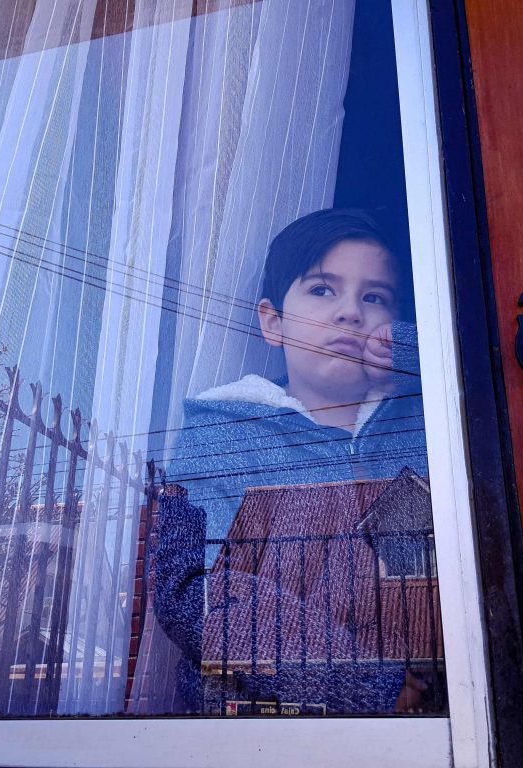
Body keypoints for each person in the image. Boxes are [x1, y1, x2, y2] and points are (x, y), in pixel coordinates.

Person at [153, 209, 434, 715]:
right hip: (257, 730)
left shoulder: (433, 428)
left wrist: (414, 353)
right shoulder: (222, 428)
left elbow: (491, 382)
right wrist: (370, 685)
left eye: (375, 298)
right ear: (272, 322)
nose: (351, 312)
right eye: (323, 290)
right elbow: (188, 591)